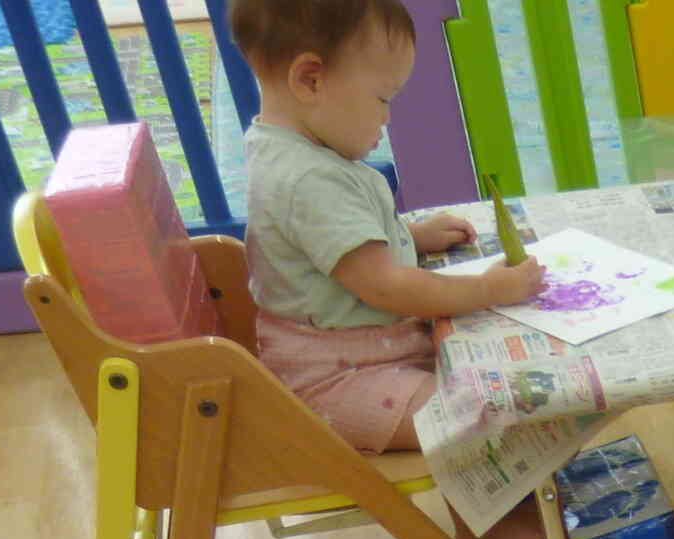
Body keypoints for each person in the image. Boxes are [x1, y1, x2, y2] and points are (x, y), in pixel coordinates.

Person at [227, 0, 543, 454]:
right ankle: (503, 528)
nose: (387, 118)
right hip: (339, 382)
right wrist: (491, 289)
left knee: (490, 401)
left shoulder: (289, 148)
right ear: (310, 79)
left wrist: (407, 237)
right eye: (383, 99)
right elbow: (387, 286)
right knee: (477, 422)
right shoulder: (308, 178)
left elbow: (332, 250)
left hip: (374, 355)